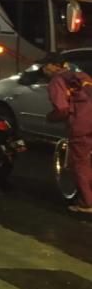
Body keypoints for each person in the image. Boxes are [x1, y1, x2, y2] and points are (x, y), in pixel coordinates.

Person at [41, 53, 92, 214]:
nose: (43, 70)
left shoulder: (57, 81)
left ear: (54, 65)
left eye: (45, 66)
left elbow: (62, 109)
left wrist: (50, 117)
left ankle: (87, 203)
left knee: (79, 163)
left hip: (81, 125)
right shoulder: (81, 75)